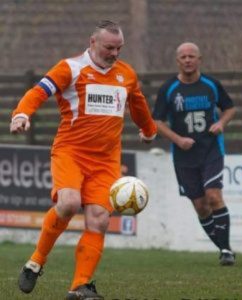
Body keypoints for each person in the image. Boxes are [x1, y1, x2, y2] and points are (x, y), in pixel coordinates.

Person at [10, 20, 157, 300]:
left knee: (99, 220)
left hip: (106, 161)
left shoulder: (126, 75)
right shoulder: (70, 68)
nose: (114, 53)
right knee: (68, 204)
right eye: (109, 47)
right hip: (71, 152)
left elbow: (138, 105)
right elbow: (38, 92)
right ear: (92, 42)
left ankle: (79, 287)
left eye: (119, 48)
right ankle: (37, 260)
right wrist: (21, 114)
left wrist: (149, 130)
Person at [152, 42, 236, 266]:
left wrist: (221, 123)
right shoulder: (169, 89)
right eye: (183, 57)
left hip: (210, 150)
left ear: (200, 59)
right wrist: (178, 139)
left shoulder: (211, 84)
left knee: (214, 197)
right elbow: (156, 121)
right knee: (200, 206)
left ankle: (226, 250)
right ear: (177, 61)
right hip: (183, 156)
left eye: (192, 56)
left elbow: (230, 108)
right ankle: (224, 248)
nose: (188, 60)